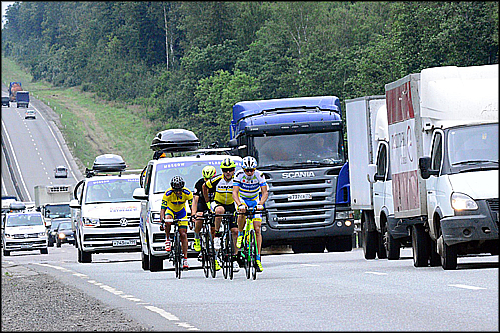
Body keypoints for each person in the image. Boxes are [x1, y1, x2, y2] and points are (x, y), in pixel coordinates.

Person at [202, 158, 240, 272]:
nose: (228, 172)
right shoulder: (217, 179)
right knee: (219, 211)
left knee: (235, 232)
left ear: (234, 170)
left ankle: (234, 258)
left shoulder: (237, 180)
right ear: (222, 171)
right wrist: (208, 202)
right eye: (225, 170)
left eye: (230, 170)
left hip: (231, 204)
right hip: (218, 203)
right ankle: (217, 234)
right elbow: (204, 187)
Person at [232, 156, 268, 272]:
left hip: (254, 199)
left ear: (255, 169)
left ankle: (258, 257)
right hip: (242, 199)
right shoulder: (238, 175)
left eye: (251, 170)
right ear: (243, 169)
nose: (249, 172)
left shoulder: (260, 175)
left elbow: (264, 192)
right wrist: (239, 204)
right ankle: (241, 233)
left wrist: (261, 203)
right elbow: (235, 192)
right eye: (246, 170)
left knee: (257, 229)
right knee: (242, 211)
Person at [190, 165, 220, 271]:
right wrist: (193, 214)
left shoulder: (218, 182)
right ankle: (197, 238)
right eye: (206, 179)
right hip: (202, 203)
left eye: (210, 179)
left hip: (213, 203)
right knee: (199, 217)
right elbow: (195, 200)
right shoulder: (199, 184)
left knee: (213, 232)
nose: (208, 181)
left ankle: (215, 259)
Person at [160, 175, 193, 270]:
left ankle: (185, 259)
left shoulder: (187, 193)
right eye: (176, 190)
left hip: (181, 212)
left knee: (183, 234)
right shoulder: (168, 194)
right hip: (171, 211)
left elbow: (192, 207)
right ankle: (167, 239)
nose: (178, 192)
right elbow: (163, 209)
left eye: (180, 190)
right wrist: (162, 220)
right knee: (167, 219)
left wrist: (193, 217)